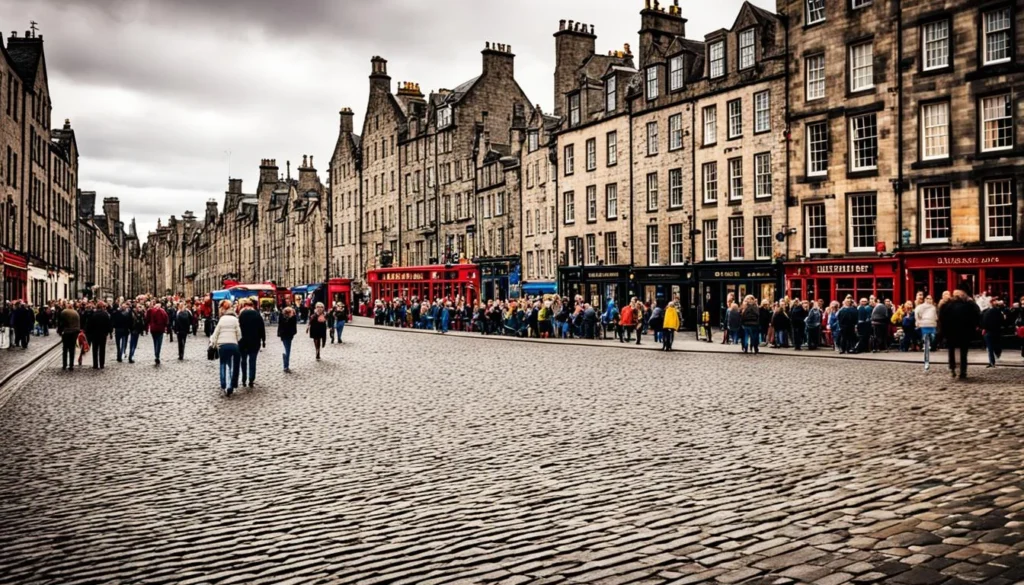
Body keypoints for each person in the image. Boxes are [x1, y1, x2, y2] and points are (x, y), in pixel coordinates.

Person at [938, 288, 981, 380]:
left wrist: (943, 331)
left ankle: (952, 368)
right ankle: (963, 371)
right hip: (964, 332)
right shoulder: (967, 305)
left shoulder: (947, 305)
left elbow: (941, 318)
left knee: (951, 351)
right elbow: (977, 313)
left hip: (951, 332)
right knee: (963, 352)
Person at [209, 300, 242, 395]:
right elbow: (239, 334)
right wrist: (237, 341)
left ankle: (223, 384)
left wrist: (213, 344)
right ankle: (231, 384)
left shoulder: (222, 320)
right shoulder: (235, 320)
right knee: (233, 365)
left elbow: (216, 333)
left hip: (222, 345)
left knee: (223, 364)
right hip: (233, 345)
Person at [238, 299, 266, 388]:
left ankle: (244, 378)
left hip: (243, 341)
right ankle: (251, 379)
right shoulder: (257, 315)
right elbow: (262, 328)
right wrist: (263, 340)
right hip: (255, 341)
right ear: (252, 306)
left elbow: (238, 328)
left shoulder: (241, 315)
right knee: (252, 361)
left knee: (243, 360)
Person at [86, 301, 112, 370]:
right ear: (102, 307)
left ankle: (95, 364)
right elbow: (108, 324)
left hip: (94, 334)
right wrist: (108, 332)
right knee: (102, 349)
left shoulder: (93, 314)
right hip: (103, 334)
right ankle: (101, 364)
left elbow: (89, 325)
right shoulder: (105, 314)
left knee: (95, 350)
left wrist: (89, 333)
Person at [980, 296, 1005, 368]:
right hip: (995, 330)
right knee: (995, 345)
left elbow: (983, 321)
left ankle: (992, 362)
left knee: (990, 348)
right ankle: (995, 356)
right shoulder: (998, 311)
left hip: (988, 331)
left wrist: (984, 328)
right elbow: (1001, 321)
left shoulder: (985, 311)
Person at [915, 295, 938, 371]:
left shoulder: (933, 308)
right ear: (925, 299)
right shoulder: (920, 307)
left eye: (930, 299)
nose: (929, 300)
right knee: (926, 343)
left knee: (933, 338)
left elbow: (936, 317)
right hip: (924, 326)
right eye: (927, 299)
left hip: (932, 326)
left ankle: (930, 348)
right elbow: (917, 316)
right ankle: (926, 362)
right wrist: (918, 322)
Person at [57, 302, 81, 371]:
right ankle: (71, 365)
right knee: (72, 349)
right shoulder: (76, 313)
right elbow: (78, 324)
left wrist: (60, 331)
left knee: (65, 349)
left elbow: (61, 323)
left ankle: (64, 364)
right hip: (74, 333)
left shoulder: (64, 312)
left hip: (66, 332)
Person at [278, 306, 297, 372]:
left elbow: (279, 326)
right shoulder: (292, 318)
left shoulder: (282, 317)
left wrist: (279, 334)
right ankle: (286, 366)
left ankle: (285, 365)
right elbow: (294, 328)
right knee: (287, 350)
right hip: (288, 336)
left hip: (283, 335)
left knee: (286, 349)